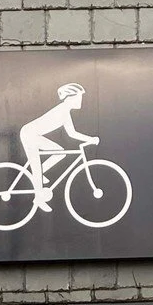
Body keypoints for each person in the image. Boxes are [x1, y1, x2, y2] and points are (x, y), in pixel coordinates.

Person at [18, 82, 99, 211]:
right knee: (36, 168)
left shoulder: (65, 110)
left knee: (60, 152)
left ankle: (39, 173)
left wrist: (90, 139)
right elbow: (72, 134)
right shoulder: (62, 111)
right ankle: (38, 199)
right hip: (29, 134)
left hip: (32, 134)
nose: (81, 100)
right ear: (70, 97)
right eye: (79, 97)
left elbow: (72, 133)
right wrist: (91, 139)